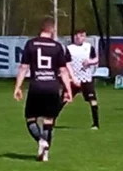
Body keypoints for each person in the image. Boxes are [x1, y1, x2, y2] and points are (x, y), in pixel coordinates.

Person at [14, 17, 74, 162]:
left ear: (40, 29)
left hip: (37, 86)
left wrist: (18, 87)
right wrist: (68, 90)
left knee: (30, 118)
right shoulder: (57, 46)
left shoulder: (31, 44)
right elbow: (63, 70)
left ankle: (41, 141)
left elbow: (23, 67)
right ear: (52, 30)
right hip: (52, 87)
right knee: (49, 120)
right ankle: (45, 153)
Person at [65, 29, 100, 129]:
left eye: (83, 36)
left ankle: (96, 124)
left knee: (93, 100)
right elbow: (67, 63)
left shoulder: (88, 47)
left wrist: (90, 62)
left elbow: (96, 59)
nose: (81, 38)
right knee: (64, 99)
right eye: (79, 35)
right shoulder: (69, 48)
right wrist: (72, 78)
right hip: (74, 79)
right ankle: (51, 121)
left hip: (86, 78)